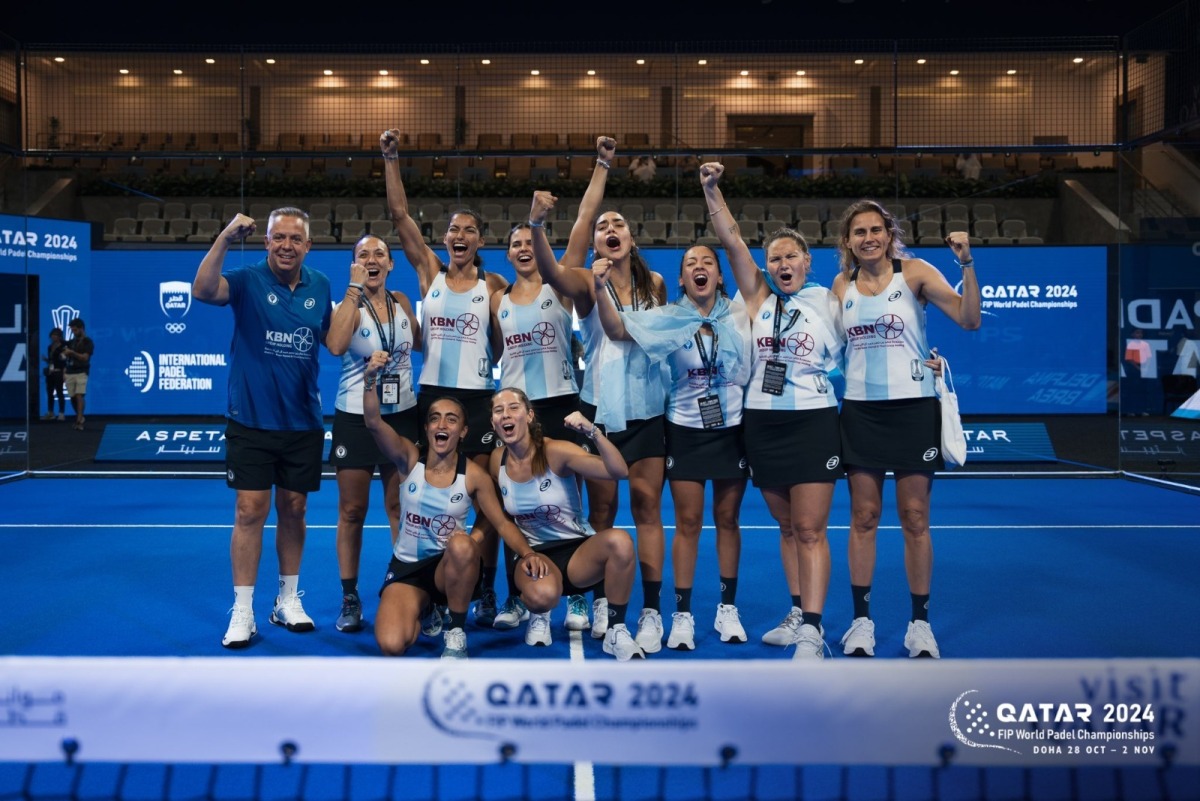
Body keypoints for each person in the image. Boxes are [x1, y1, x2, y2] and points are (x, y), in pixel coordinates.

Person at [701, 162, 846, 659]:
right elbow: (733, 243)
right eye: (774, 258)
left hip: (812, 422)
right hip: (762, 422)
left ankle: (814, 627)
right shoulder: (760, 298)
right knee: (787, 528)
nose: (782, 263)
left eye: (790, 256)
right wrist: (711, 190)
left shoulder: (831, 299)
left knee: (810, 529)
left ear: (807, 260)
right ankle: (797, 609)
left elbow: (875, 331)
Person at [531, 153, 672, 654]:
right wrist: (537, 226)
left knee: (649, 507)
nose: (611, 228)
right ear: (595, 242)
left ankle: (651, 612)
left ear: (631, 239)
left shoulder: (654, 285)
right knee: (604, 511)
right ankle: (600, 604)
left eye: (620, 224)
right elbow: (548, 269)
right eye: (603, 225)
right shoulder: (586, 287)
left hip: (649, 409)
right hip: (599, 412)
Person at [832, 200, 980, 659]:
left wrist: (967, 264)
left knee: (915, 519)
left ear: (888, 233)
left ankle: (920, 624)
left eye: (876, 229)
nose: (868, 238)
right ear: (848, 240)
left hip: (914, 411)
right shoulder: (841, 285)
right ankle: (861, 622)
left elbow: (969, 318)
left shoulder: (914, 273)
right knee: (864, 518)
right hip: (860, 412)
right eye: (860, 232)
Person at [593, 244, 754, 651]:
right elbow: (617, 330)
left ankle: (727, 608)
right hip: (683, 427)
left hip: (732, 428)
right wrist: (597, 288)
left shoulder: (740, 313)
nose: (700, 269)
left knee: (728, 519)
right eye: (690, 265)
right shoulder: (667, 318)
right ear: (681, 280)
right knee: (688, 522)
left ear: (720, 275)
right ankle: (681, 614)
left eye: (708, 263)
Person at [381, 128, 509, 627]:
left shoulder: (492, 284)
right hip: (431, 396)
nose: (458, 237)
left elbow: (501, 340)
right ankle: (426, 587)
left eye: (468, 231)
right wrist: (392, 157)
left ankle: (485, 588)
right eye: (452, 230)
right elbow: (399, 217)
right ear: (445, 239)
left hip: (478, 400)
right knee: (421, 495)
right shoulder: (429, 273)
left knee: (483, 500)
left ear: (479, 240)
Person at [192, 209, 332, 649]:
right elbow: (201, 290)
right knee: (250, 511)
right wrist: (226, 237)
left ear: (308, 246)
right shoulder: (248, 279)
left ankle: (287, 600)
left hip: (303, 422)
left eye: (295, 239)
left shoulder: (321, 286)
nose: (287, 245)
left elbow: (335, 340)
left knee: (295, 510)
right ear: (267, 242)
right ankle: (244, 610)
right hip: (251, 419)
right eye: (278, 238)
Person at [361, 352, 527, 659]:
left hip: (449, 567)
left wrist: (477, 540)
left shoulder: (474, 476)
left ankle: (456, 632)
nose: (442, 424)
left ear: (462, 432)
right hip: (407, 569)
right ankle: (427, 607)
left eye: (452, 419)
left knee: (463, 547)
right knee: (392, 644)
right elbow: (372, 422)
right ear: (427, 429)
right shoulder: (409, 460)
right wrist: (370, 379)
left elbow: (497, 520)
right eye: (435, 418)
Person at [488, 387, 645, 660]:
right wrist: (526, 553)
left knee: (620, 542)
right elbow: (504, 521)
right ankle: (538, 614)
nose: (506, 415)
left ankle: (616, 630)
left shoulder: (556, 451)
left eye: (513, 408)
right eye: (498, 410)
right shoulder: (496, 461)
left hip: (577, 552)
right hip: (535, 555)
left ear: (529, 415)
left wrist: (592, 432)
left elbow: (618, 471)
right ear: (493, 422)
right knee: (542, 596)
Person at [488, 222, 583, 630]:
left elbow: (579, 229)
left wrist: (602, 165)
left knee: (570, 499)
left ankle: (578, 596)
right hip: (514, 407)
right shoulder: (497, 300)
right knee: (514, 502)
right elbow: (496, 350)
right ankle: (520, 594)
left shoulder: (558, 287)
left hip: (559, 401)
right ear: (507, 255)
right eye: (516, 245)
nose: (524, 249)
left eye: (530, 242)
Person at [325, 234, 421, 633]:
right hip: (356, 416)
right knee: (352, 511)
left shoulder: (400, 300)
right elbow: (334, 345)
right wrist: (352, 288)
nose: (371, 259)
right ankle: (350, 596)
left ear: (391, 263)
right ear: (354, 264)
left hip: (403, 416)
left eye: (379, 253)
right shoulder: (345, 304)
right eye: (363, 254)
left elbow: (417, 341)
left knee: (401, 508)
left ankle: (405, 584)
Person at [61, 318, 93, 431]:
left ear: (81, 329)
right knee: (72, 397)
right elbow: (65, 358)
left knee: (79, 395)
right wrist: (64, 371)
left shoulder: (88, 342)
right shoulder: (71, 342)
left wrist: (72, 353)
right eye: (72, 330)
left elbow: (85, 357)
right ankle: (80, 416)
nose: (73, 332)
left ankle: (79, 420)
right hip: (70, 371)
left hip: (81, 371)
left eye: (75, 330)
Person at [41, 327, 67, 421]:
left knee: (60, 392)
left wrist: (64, 373)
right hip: (51, 372)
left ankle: (61, 413)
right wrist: (47, 361)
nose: (53, 337)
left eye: (55, 335)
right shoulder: (50, 347)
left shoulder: (64, 347)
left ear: (59, 336)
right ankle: (50, 412)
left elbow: (64, 361)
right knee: (50, 393)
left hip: (59, 372)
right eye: (52, 335)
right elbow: (52, 361)